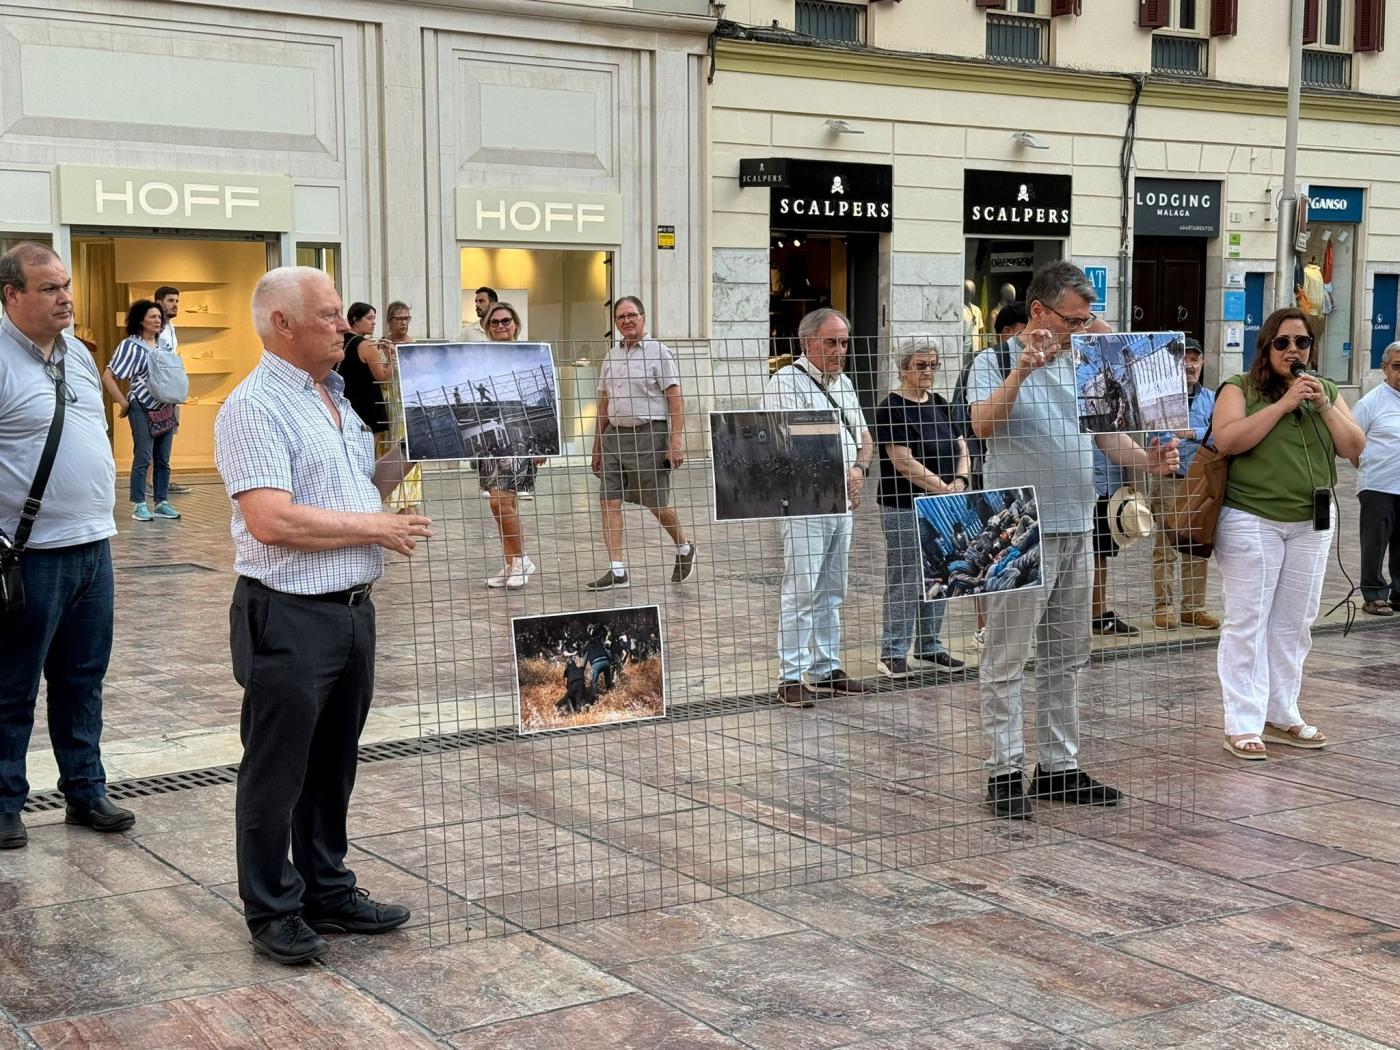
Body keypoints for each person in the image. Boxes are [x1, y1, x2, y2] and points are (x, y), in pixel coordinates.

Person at [214, 266, 432, 964]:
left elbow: (357, 492)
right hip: (288, 615)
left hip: (350, 613)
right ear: (282, 322)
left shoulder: (332, 397)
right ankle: (272, 908)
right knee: (277, 771)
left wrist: (418, 446)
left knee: (332, 765)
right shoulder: (254, 408)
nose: (345, 326)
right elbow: (272, 520)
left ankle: (326, 888)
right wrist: (376, 531)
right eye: (331, 315)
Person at [969, 261, 1181, 818]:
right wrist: (1023, 371)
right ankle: (1004, 770)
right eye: (1074, 320)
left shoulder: (1085, 365)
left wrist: (1149, 460)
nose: (1083, 330)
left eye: (1088, 321)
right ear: (1039, 312)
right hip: (1018, 526)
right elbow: (983, 426)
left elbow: (1107, 437)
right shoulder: (991, 361)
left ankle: (1059, 766)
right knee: (1007, 655)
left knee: (1068, 654)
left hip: (1077, 523)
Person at [0, 242, 135, 850]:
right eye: (49, 288)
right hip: (28, 554)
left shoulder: (78, 355)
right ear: (12, 295)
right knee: (12, 684)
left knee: (83, 678)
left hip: (92, 548)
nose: (65, 297)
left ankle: (85, 789)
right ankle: (5, 803)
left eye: (66, 285)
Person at [1211, 307, 1364, 760]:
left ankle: (1282, 712)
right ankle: (1241, 721)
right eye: (1282, 343)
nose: (1293, 351)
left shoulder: (1326, 391)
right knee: (1248, 621)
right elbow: (1227, 441)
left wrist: (1322, 406)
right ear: (1266, 347)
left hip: (1310, 522)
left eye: (1302, 343)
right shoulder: (1241, 389)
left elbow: (1354, 449)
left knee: (1295, 622)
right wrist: (1282, 404)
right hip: (1251, 518)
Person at [762, 307, 874, 707]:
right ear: (807, 341)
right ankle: (790, 675)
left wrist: (859, 469)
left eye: (844, 342)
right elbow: (785, 442)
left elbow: (864, 437)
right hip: (806, 501)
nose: (839, 350)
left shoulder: (843, 382)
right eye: (831, 342)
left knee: (833, 587)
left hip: (841, 499)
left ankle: (827, 666)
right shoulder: (785, 382)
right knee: (802, 588)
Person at [874, 337, 969, 677]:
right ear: (903, 369)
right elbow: (903, 462)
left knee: (941, 574)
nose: (928, 372)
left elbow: (961, 446)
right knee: (906, 575)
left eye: (933, 365)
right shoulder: (891, 407)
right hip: (903, 505)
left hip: (943, 502)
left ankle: (929, 645)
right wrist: (941, 487)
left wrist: (960, 482)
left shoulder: (940, 402)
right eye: (921, 366)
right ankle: (893, 651)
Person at [587, 296, 696, 589]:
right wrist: (596, 447)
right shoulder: (612, 356)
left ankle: (684, 547)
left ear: (643, 318)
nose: (626, 321)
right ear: (616, 323)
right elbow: (603, 403)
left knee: (655, 503)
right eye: (621, 317)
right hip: (614, 438)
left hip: (649, 435)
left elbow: (675, 400)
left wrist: (675, 441)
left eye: (631, 315)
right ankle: (617, 570)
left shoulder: (659, 352)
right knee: (608, 502)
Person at [1148, 337, 1220, 630]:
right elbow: (1160, 438)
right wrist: (1195, 437)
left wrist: (1190, 433)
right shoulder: (1161, 399)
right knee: (1165, 547)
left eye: (1195, 359)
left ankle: (1193, 607)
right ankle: (1163, 607)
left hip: (1200, 481)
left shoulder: (1212, 398)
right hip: (1169, 480)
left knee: (1196, 545)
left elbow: (1221, 435)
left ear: (1202, 363)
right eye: (1184, 360)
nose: (1190, 365)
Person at [478, 301, 541, 588]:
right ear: (486, 327)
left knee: (499, 501)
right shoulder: (480, 358)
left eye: (506, 321)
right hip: (491, 440)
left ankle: (522, 560)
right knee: (503, 504)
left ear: (516, 324)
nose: (501, 326)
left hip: (520, 438)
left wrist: (542, 444)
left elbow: (542, 400)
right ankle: (511, 562)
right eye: (495, 322)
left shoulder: (528, 356)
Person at [102, 300, 181, 522]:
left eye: (159, 317)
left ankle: (161, 502)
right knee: (144, 456)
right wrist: (123, 402)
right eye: (152, 317)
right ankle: (139, 504)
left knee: (163, 458)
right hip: (142, 406)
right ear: (140, 321)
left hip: (166, 406)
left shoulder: (164, 346)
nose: (158, 320)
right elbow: (109, 375)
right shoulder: (130, 346)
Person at [1351, 342, 1400, 616]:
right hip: (1378, 486)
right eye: (1397, 367)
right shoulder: (1370, 402)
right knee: (1375, 542)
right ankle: (1373, 594)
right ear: (1384, 368)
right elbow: (1351, 445)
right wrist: (1369, 469)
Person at [336, 302, 392, 453]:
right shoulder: (367, 345)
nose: (374, 322)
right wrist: (392, 357)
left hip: (344, 404)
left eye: (374, 318)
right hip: (367, 405)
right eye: (369, 318)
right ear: (355, 319)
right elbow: (382, 377)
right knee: (369, 454)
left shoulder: (338, 341)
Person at [154, 285, 192, 496]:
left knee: (166, 436)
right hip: (157, 391)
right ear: (159, 302)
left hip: (171, 390)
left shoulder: (171, 327)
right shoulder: (154, 326)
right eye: (170, 301)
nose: (175, 305)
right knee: (154, 437)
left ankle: (161, 479)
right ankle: (152, 482)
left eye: (177, 301)